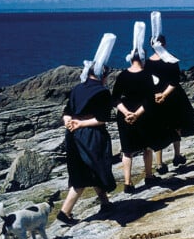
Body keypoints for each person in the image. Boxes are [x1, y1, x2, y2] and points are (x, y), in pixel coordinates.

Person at [58, 33, 118, 226]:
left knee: (87, 171)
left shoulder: (78, 88)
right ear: (102, 74)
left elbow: (67, 111)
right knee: (91, 170)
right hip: (90, 136)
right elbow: (102, 119)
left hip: (73, 135)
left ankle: (105, 203)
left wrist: (70, 122)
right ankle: (65, 213)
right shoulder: (102, 92)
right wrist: (81, 123)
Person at [112, 21, 163, 194]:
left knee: (127, 151)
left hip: (124, 115)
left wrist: (127, 113)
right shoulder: (147, 76)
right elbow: (150, 99)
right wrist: (137, 114)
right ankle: (148, 176)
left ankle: (127, 182)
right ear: (142, 58)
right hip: (144, 115)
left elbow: (115, 98)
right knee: (146, 147)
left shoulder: (122, 76)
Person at [146, 11, 194, 174]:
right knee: (176, 126)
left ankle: (159, 163)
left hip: (155, 98)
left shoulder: (147, 63)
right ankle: (177, 155)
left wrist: (156, 95)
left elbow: (146, 82)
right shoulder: (172, 61)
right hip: (173, 97)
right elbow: (175, 82)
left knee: (159, 129)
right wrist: (165, 95)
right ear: (165, 44)